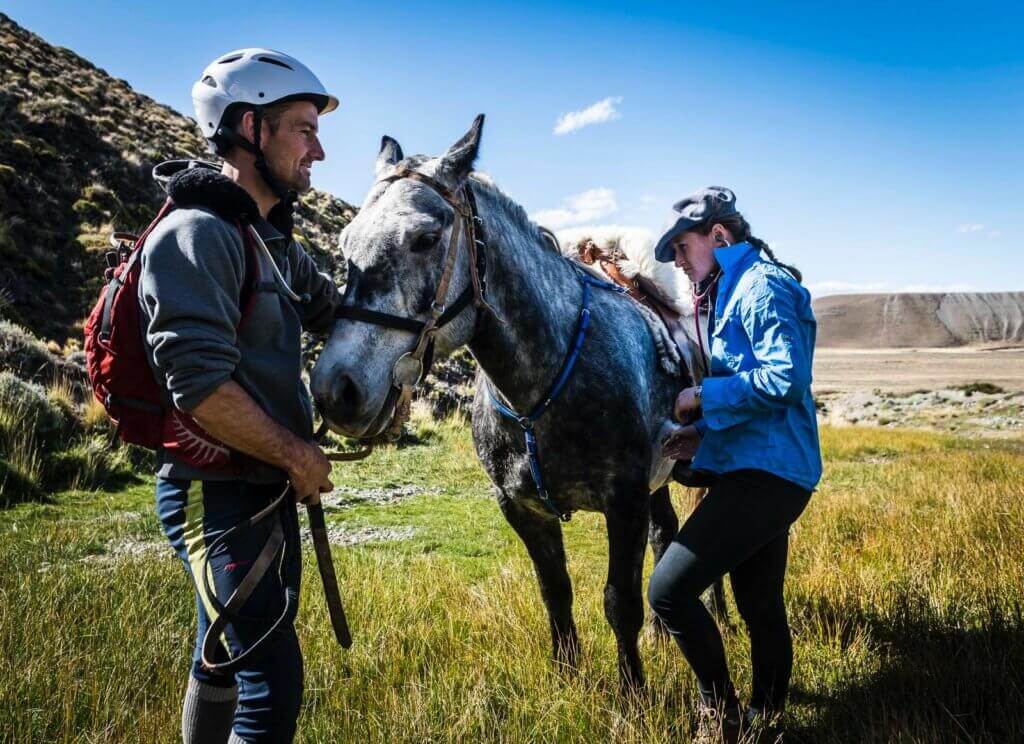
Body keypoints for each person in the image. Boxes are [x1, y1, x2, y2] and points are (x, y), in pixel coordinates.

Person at [139, 49, 342, 743]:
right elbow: (200, 390)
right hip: (215, 492)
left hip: (259, 486)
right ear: (250, 128)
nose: (319, 149)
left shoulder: (271, 238)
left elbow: (334, 314)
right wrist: (298, 455)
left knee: (221, 658)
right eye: (304, 128)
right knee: (270, 686)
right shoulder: (196, 234)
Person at [646, 187, 822, 742]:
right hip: (764, 468)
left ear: (719, 236)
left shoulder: (761, 285)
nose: (677, 260)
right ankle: (768, 721)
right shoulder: (737, 289)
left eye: (681, 246)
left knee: (667, 592)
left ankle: (720, 719)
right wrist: (701, 436)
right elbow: (760, 400)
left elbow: (782, 380)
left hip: (767, 476)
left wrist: (702, 398)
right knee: (758, 602)